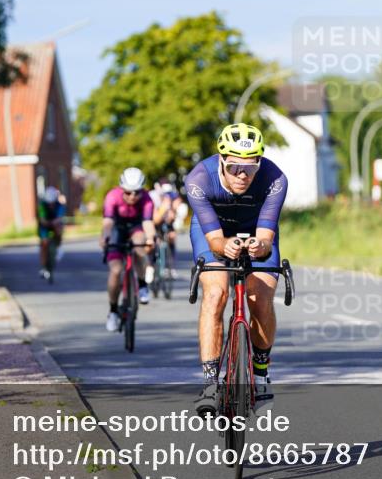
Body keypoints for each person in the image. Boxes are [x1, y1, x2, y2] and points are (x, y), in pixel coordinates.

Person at [184, 123, 287, 415]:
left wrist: (260, 247)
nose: (243, 175)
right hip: (213, 232)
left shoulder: (275, 178)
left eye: (250, 169)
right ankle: (209, 383)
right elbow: (215, 240)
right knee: (216, 295)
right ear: (221, 161)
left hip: (256, 230)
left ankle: (260, 372)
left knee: (260, 298)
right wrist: (223, 246)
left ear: (259, 163)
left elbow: (266, 237)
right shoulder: (198, 179)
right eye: (233, 168)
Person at [99, 167, 162, 332]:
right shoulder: (112, 197)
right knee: (116, 270)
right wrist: (105, 238)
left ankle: (142, 285)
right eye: (128, 192)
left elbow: (148, 223)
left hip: (136, 228)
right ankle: (113, 311)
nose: (132, 196)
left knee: (140, 243)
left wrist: (150, 238)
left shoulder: (147, 199)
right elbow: (107, 223)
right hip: (116, 228)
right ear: (122, 189)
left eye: (137, 192)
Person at [37, 186, 65, 280]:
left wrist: (55, 223)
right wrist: (47, 223)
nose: (51, 205)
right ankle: (44, 267)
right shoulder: (42, 206)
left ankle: (58, 246)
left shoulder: (59, 205)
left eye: (52, 203)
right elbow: (42, 219)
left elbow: (59, 218)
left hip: (55, 224)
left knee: (59, 228)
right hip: (44, 225)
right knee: (44, 243)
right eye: (49, 203)